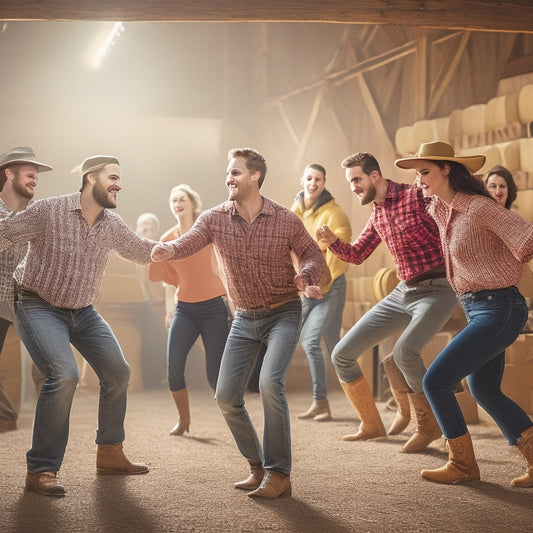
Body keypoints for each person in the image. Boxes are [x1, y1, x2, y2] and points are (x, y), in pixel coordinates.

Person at [151, 148, 325, 498]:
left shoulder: (285, 219)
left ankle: (279, 474)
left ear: (256, 176)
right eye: (227, 173)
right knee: (227, 396)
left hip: (283, 311)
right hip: (245, 317)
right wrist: (167, 250)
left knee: (270, 383)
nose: (229, 179)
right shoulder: (214, 218)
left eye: (236, 173)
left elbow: (312, 253)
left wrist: (306, 276)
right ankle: (258, 466)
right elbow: (188, 243)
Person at [0, 155, 155, 497]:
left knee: (118, 371)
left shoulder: (111, 224)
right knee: (64, 374)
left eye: (120, 179)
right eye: (113, 177)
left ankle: (109, 452)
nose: (119, 184)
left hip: (83, 311)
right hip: (36, 303)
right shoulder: (49, 210)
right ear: (90, 179)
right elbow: (4, 233)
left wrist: (188, 245)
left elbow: (143, 250)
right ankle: (41, 468)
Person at [394, 141, 533, 487]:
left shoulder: (479, 207)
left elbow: (527, 236)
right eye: (416, 174)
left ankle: (462, 464)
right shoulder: (441, 211)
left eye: (424, 172)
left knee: (435, 380)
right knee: (483, 389)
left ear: (446, 170)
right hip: (478, 309)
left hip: (500, 307)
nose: (418, 180)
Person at [317, 152, 457, 452]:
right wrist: (333, 243)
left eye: (356, 179)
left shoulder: (416, 195)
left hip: (438, 289)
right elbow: (357, 255)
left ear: (374, 176)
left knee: (405, 352)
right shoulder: (377, 214)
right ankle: (371, 424)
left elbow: (451, 216)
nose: (353, 186)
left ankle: (430, 426)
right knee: (342, 353)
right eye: (350, 181)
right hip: (403, 292)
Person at [149, 184, 230, 435]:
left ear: (193, 203)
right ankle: (183, 421)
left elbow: (224, 271)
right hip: (185, 310)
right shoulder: (167, 240)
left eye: (181, 199)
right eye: (173, 200)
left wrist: (234, 307)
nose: (177, 203)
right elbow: (169, 282)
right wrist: (169, 310)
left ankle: (232, 419)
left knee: (214, 375)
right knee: (174, 369)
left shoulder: (208, 233)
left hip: (214, 308)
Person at [291, 163, 351, 421]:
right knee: (333, 344)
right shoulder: (294, 212)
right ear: (302, 181)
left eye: (318, 179)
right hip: (307, 288)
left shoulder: (335, 213)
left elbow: (343, 250)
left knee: (311, 341)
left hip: (330, 287)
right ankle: (354, 400)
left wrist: (322, 284)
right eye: (309, 178)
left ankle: (321, 402)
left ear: (324, 183)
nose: (313, 183)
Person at [0, 147, 53, 433]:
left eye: (37, 174)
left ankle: (47, 431)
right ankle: (5, 416)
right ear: (9, 173)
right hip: (0, 298)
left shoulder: (37, 214)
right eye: (29, 172)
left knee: (53, 368)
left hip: (31, 302)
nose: (35, 177)